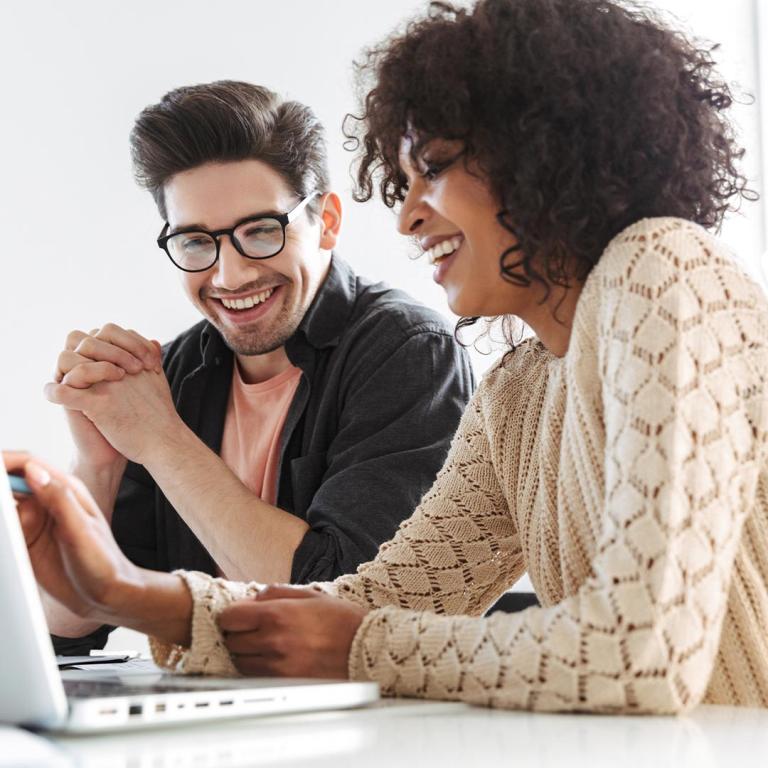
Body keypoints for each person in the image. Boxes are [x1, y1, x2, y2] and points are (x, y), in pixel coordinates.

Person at [10, 0, 768, 713]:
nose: (406, 216)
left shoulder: (660, 267)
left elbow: (640, 656)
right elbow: (378, 597)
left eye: (432, 169)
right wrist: (118, 591)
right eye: (401, 183)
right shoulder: (519, 390)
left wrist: (362, 646)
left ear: (544, 153)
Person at [40, 81, 474, 655]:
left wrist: (162, 440)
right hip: (212, 719)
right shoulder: (175, 374)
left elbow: (342, 607)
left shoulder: (409, 351)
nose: (230, 276)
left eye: (261, 232)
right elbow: (64, 623)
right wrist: (98, 465)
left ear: (327, 220)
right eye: (196, 242)